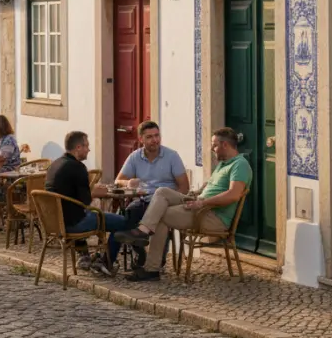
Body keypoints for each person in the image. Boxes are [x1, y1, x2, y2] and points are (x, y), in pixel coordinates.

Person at [116, 127, 252, 282]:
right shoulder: (223, 165)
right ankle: (144, 233)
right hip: (200, 206)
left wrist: (202, 203)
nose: (212, 149)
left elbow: (233, 195)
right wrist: (196, 196)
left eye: (214, 145)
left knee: (159, 215)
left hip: (213, 217)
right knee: (162, 192)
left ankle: (150, 265)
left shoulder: (240, 165)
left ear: (225, 145)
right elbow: (211, 190)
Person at [45, 131, 127, 276]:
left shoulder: (54, 164)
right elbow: (85, 201)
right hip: (74, 224)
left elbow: (71, 195)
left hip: (55, 223)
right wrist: (95, 192)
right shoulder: (78, 167)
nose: (88, 149)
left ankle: (84, 256)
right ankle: (106, 262)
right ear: (78, 148)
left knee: (87, 212)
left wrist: (90, 191)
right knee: (123, 222)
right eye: (86, 146)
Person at [114, 121, 190, 268]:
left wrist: (171, 202)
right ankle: (139, 252)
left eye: (157, 135)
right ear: (141, 139)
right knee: (126, 215)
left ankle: (158, 257)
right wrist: (128, 182)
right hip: (143, 199)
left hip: (165, 201)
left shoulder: (172, 156)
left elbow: (184, 188)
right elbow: (118, 180)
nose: (155, 140)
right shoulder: (135, 157)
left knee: (159, 211)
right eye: (149, 137)